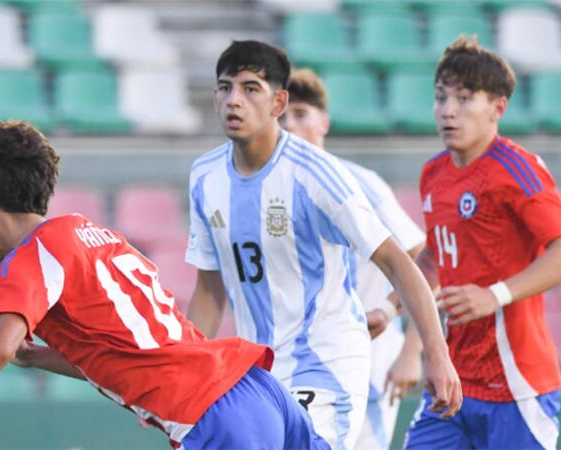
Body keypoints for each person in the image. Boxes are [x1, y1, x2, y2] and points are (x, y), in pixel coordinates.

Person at [0, 120, 330, 450]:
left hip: (214, 417)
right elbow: (129, 347)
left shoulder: (29, 258)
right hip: (256, 391)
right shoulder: (88, 231)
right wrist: (38, 357)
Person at [184, 39, 461, 450]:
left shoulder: (318, 174)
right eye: (225, 87)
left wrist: (433, 356)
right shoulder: (205, 176)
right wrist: (187, 374)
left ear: (278, 102)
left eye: (250, 88)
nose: (234, 100)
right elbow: (209, 289)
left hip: (325, 365)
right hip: (257, 371)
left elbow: (400, 261)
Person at [402, 35, 561, 450]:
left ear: (497, 108)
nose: (448, 110)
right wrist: (397, 298)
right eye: (440, 97)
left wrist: (495, 295)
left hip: (516, 386)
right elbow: (436, 254)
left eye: (464, 98)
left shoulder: (517, 170)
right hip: (454, 382)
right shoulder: (433, 173)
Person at [279, 68, 426, 450]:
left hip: (368, 358)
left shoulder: (359, 183)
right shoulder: (272, 193)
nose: (290, 126)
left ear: (323, 123)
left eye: (300, 114)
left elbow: (421, 257)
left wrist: (409, 345)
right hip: (304, 359)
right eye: (281, 118)